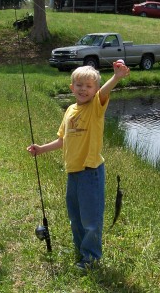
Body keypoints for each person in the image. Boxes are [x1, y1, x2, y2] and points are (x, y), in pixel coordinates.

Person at [27, 62, 130, 270]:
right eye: (79, 85)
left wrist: (116, 77)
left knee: (91, 219)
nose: (84, 89)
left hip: (90, 172)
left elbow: (105, 91)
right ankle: (80, 250)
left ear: (95, 90)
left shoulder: (95, 107)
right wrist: (41, 149)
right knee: (75, 217)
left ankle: (91, 258)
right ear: (71, 87)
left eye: (89, 86)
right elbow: (62, 140)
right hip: (72, 172)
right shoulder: (70, 110)